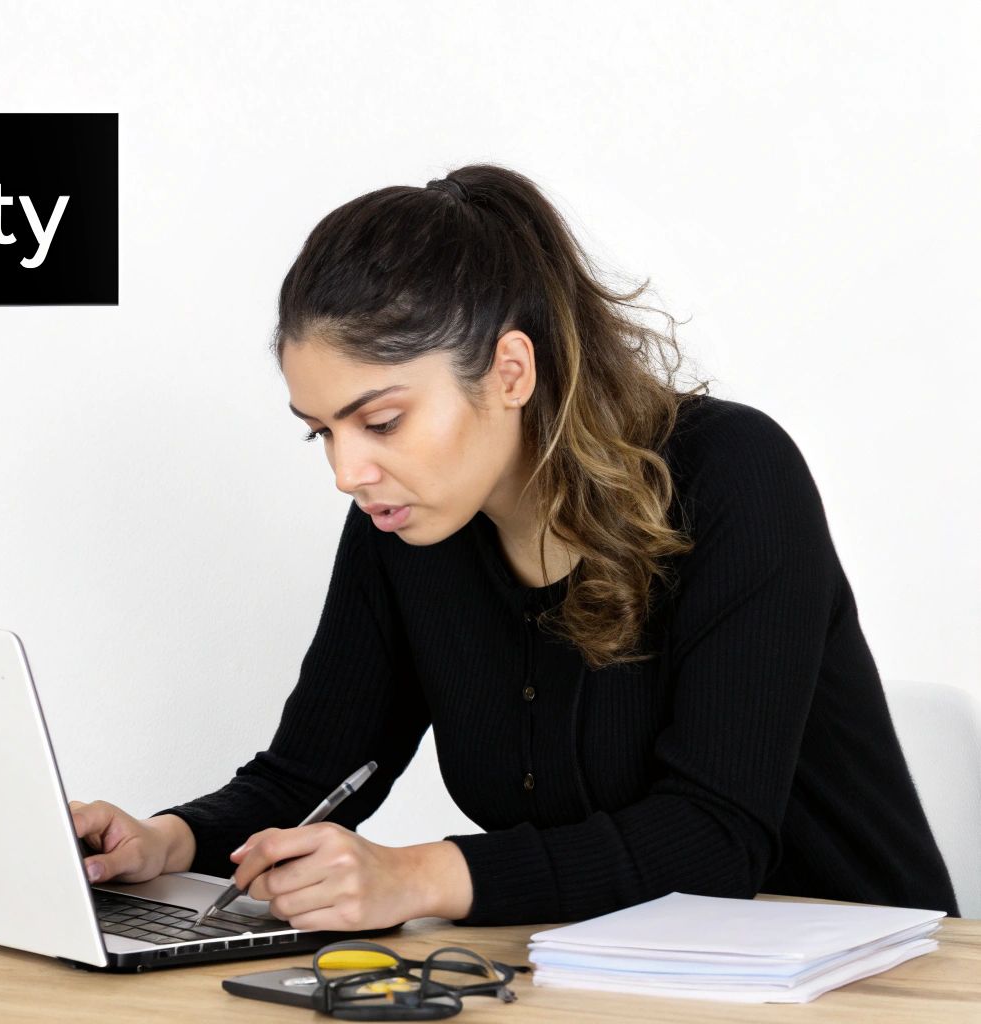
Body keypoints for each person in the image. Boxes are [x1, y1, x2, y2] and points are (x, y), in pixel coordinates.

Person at [67, 164, 960, 930]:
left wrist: (416, 876)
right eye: (321, 434)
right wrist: (166, 840)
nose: (349, 471)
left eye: (380, 421)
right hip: (597, 983)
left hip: (866, 978)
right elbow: (312, 773)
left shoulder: (735, 477)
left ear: (510, 372)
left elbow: (716, 839)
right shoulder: (406, 523)